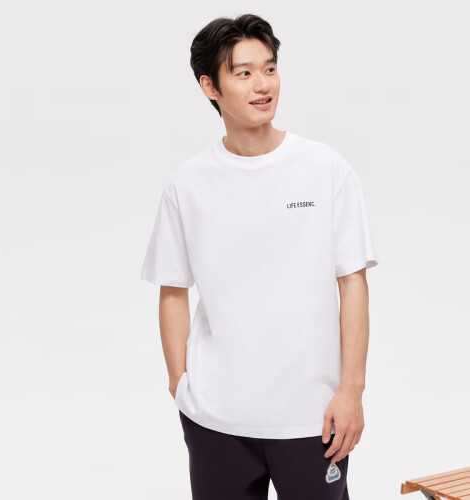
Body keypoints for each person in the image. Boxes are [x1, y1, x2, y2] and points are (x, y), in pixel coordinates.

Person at [141, 13, 379, 500]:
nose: (262, 85)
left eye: (269, 69)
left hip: (313, 418)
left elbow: (353, 282)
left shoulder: (325, 169)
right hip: (216, 419)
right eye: (244, 73)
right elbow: (173, 289)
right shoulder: (188, 185)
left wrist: (351, 390)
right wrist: (180, 384)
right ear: (210, 86)